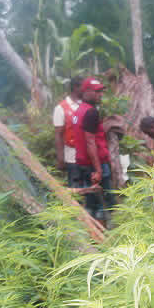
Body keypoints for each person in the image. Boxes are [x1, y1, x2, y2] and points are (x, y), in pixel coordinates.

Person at [73, 77, 114, 220]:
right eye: (97, 92)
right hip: (94, 165)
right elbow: (90, 142)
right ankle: (102, 237)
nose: (100, 94)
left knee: (91, 202)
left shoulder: (79, 110)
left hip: (84, 164)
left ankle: (93, 237)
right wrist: (98, 170)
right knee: (103, 205)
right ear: (87, 92)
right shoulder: (91, 112)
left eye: (101, 91)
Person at [53, 76, 83, 187]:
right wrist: (61, 158)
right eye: (83, 87)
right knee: (75, 189)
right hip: (72, 157)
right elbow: (58, 134)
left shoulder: (86, 105)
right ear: (76, 87)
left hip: (88, 157)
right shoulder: (61, 108)